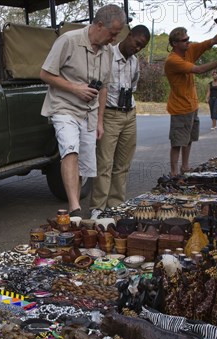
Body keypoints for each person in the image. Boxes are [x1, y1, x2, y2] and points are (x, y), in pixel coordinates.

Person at [40, 4, 126, 217]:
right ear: (99, 25)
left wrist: (100, 122)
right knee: (70, 150)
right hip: (64, 106)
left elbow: (104, 87)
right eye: (112, 34)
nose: (114, 39)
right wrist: (75, 88)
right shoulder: (69, 40)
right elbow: (45, 74)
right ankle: (75, 208)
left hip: (89, 112)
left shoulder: (107, 51)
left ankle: (75, 211)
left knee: (84, 163)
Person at [90, 25, 151, 220]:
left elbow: (133, 85)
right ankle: (98, 207)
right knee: (105, 163)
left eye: (142, 47)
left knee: (123, 164)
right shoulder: (107, 55)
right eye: (137, 43)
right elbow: (99, 87)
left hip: (129, 114)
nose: (138, 48)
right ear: (129, 35)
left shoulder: (134, 62)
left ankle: (116, 204)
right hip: (110, 114)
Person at [164, 19, 217, 177]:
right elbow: (198, 70)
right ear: (175, 43)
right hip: (180, 107)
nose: (188, 42)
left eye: (188, 39)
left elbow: (213, 41)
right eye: (184, 40)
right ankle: (174, 173)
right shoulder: (173, 60)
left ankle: (185, 167)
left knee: (188, 139)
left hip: (192, 105)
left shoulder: (189, 50)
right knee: (178, 142)